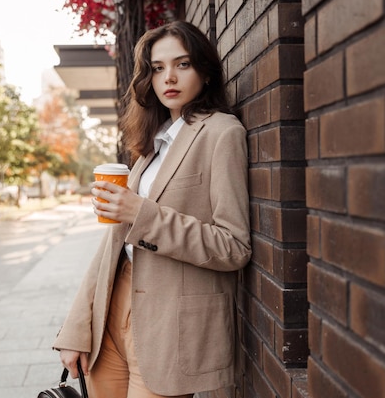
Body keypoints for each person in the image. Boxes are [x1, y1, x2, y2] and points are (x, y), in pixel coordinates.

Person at [53, 20, 251, 398]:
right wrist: (76, 328)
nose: (169, 77)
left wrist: (141, 213)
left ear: (206, 72)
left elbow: (233, 247)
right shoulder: (152, 145)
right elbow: (112, 246)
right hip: (112, 312)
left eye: (183, 64)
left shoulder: (222, 133)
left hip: (170, 327)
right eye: (157, 68)